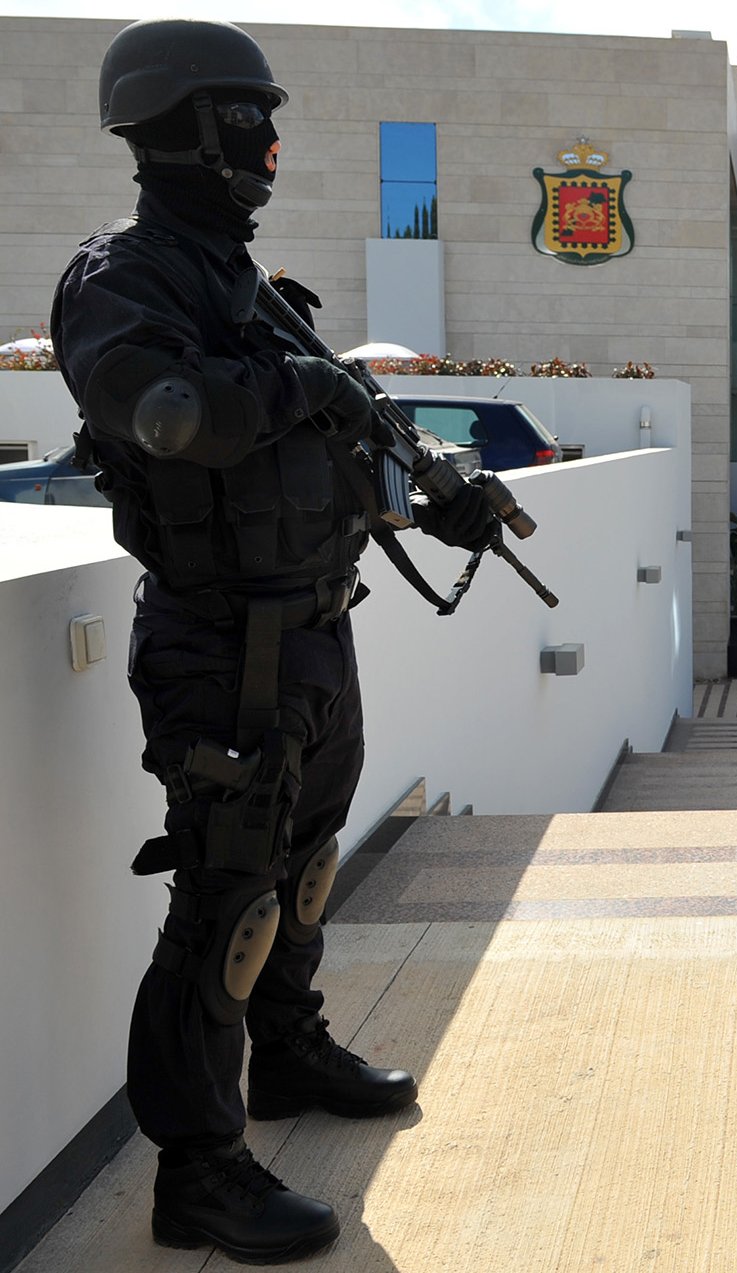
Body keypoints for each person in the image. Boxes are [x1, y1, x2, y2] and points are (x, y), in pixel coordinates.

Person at [48, 19, 499, 1264]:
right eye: (250, 121)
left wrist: (437, 484)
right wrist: (308, 386)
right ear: (183, 126)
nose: (271, 146)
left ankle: (288, 1059)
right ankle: (197, 1174)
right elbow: (170, 415)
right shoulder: (122, 281)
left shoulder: (257, 291)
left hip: (309, 629)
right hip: (216, 643)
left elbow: (352, 436)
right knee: (226, 904)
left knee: (302, 871)